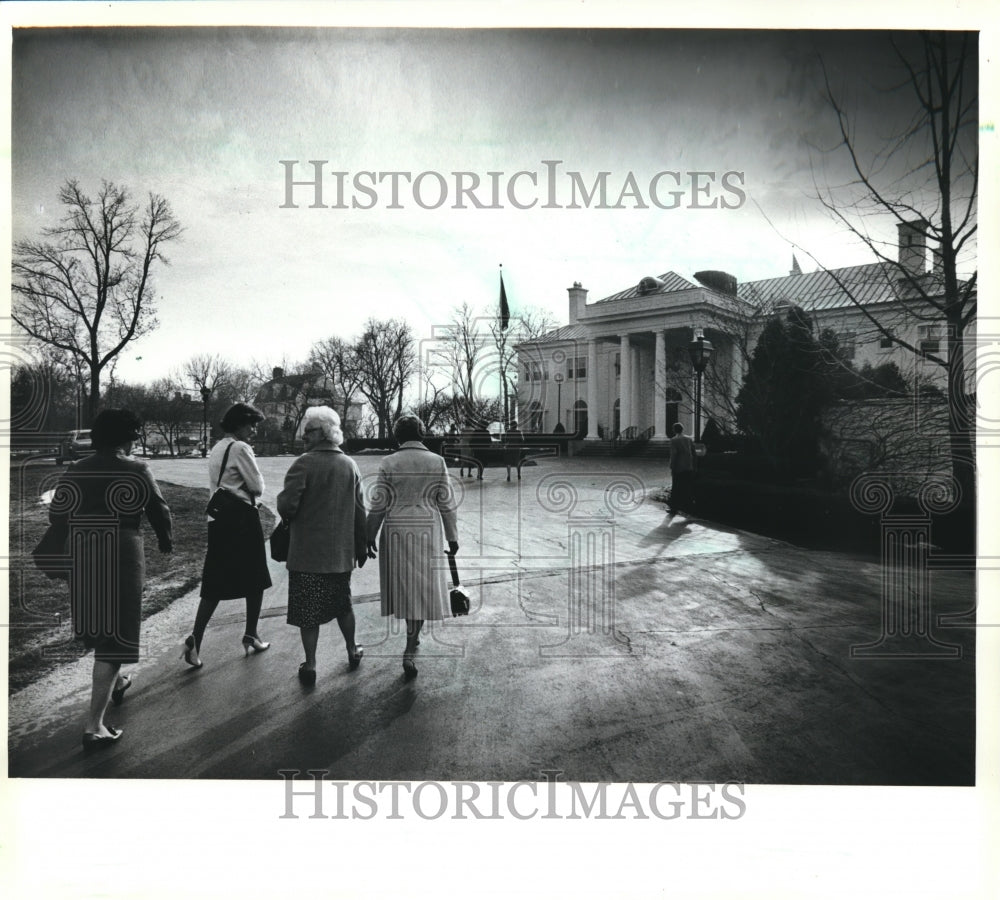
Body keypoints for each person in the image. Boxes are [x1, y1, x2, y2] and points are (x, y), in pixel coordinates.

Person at [48, 409, 173, 750]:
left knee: (99, 622)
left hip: (82, 547)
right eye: (134, 436)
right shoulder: (135, 468)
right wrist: (165, 539)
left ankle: (115, 684)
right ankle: (94, 727)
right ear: (126, 437)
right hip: (120, 548)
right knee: (116, 635)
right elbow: (159, 510)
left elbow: (56, 513)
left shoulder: (77, 469)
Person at [277, 406, 368, 686]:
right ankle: (352, 649)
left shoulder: (303, 464)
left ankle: (312, 664)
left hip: (307, 554)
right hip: (340, 554)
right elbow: (359, 510)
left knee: (308, 610)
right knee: (343, 605)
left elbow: (287, 506)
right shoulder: (350, 465)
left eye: (309, 431)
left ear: (325, 432)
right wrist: (361, 545)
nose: (304, 436)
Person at [366, 415, 459, 680]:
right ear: (422, 433)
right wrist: (453, 536)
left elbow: (378, 504)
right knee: (420, 586)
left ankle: (411, 641)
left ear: (398, 436)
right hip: (428, 529)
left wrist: (367, 536)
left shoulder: (389, 462)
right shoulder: (436, 461)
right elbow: (446, 502)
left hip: (396, 528)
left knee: (406, 587)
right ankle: (410, 645)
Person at [183, 402, 272, 668]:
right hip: (242, 520)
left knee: (215, 582)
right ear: (239, 424)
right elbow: (258, 487)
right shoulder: (241, 448)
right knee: (255, 577)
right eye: (251, 425)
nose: (254, 430)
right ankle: (251, 633)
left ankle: (195, 638)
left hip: (219, 520)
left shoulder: (217, 448)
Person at [668, 422, 697, 517]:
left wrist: (672, 466)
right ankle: (690, 508)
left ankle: (674, 508)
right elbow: (693, 452)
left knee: (676, 488)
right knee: (688, 488)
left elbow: (674, 455)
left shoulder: (674, 440)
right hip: (688, 467)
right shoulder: (689, 439)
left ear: (674, 430)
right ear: (682, 429)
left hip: (678, 468)